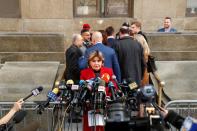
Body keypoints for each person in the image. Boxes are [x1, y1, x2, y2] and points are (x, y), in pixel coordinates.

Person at [80, 50, 118, 131]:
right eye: (93, 61)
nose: (96, 63)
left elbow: (114, 88)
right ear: (89, 62)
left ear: (102, 62)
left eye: (99, 61)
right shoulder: (84, 73)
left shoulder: (109, 71)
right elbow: (82, 89)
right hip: (89, 107)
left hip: (105, 106)